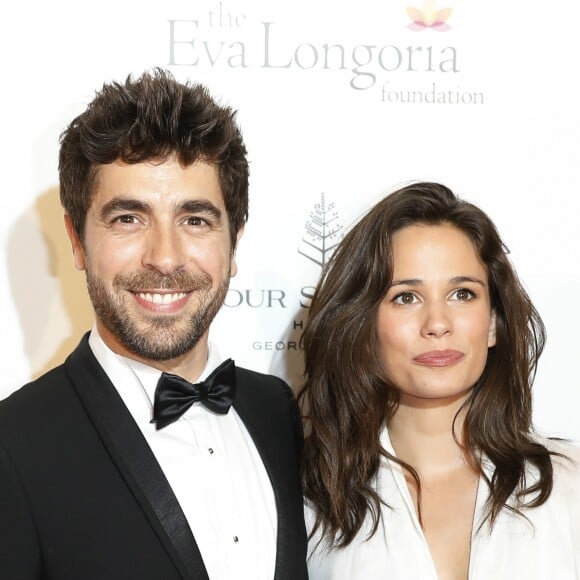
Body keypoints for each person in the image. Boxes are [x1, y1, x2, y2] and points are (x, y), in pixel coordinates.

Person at [0, 69, 307, 580]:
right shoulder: (12, 446)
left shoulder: (277, 412)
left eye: (195, 219)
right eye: (128, 218)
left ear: (234, 243)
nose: (164, 258)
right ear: (77, 241)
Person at [300, 182, 580, 580]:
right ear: (363, 325)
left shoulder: (569, 486)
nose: (437, 324)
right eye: (406, 297)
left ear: (493, 323)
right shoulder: (308, 502)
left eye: (462, 294)